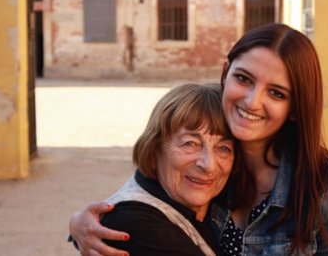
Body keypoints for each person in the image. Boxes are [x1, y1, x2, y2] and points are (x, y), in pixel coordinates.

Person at [69, 23, 328, 255]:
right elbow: (148, 190)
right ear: (225, 73)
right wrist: (82, 223)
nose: (252, 102)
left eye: (276, 93)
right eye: (244, 79)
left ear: (295, 108)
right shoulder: (213, 163)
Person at [69, 83, 236, 255]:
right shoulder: (134, 224)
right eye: (190, 144)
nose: (209, 165)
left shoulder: (228, 201)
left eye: (224, 148)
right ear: (154, 149)